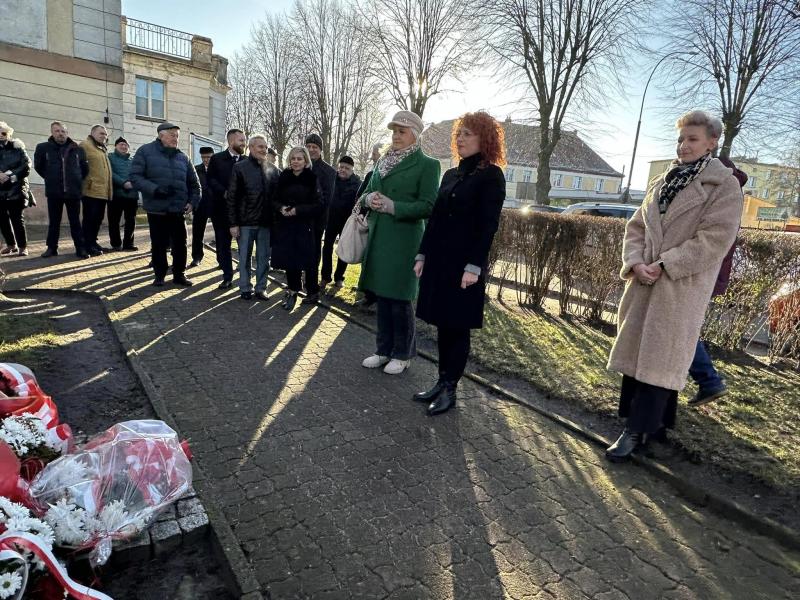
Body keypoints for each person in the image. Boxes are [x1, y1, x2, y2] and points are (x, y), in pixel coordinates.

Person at [605, 110, 744, 462]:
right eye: (681, 139)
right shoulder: (662, 181)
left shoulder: (723, 185)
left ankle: (636, 431)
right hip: (644, 280)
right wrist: (636, 262)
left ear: (712, 142)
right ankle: (653, 425)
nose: (683, 146)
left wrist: (666, 264)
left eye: (692, 139)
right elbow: (636, 227)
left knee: (661, 356)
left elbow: (715, 238)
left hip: (679, 285)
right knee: (642, 355)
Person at [414, 112, 506, 415]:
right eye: (459, 133)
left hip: (464, 266)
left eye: (468, 133)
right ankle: (441, 381)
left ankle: (450, 390)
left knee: (457, 327)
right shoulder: (450, 175)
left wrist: (474, 266)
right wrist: (422, 254)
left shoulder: (492, 175)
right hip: (440, 261)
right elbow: (437, 219)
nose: (461, 138)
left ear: (485, 138)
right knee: (443, 324)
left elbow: (487, 226)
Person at [359, 110, 441, 375]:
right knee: (382, 296)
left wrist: (395, 206)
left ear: (415, 136)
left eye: (402, 131)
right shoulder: (383, 161)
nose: (396, 135)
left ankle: (403, 354)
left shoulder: (428, 164)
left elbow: (429, 206)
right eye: (394, 130)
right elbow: (366, 193)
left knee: (400, 299)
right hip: (380, 237)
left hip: (405, 240)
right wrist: (368, 200)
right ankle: (383, 350)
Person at [687, 156, 747, 408]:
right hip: (710, 275)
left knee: (683, 329)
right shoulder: (728, 190)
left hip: (703, 275)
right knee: (685, 327)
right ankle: (704, 379)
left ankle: (708, 380)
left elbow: (712, 242)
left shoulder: (724, 192)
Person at [129, 122, 200, 287]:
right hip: (157, 209)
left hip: (178, 210)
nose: (176, 139)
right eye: (172, 135)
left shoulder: (183, 157)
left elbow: (195, 184)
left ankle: (179, 275)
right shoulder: (145, 152)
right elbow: (135, 177)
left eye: (177, 136)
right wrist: (155, 189)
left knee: (181, 245)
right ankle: (159, 275)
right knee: (159, 244)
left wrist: (192, 202)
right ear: (161, 135)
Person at [227, 135, 280, 300]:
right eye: (260, 147)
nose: (264, 150)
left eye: (265, 147)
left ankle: (261, 288)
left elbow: (278, 197)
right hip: (245, 223)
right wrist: (233, 223)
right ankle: (245, 288)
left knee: (264, 259)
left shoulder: (273, 170)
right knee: (244, 258)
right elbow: (232, 198)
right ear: (250, 148)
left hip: (265, 223)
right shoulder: (239, 168)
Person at [271, 146, 323, 310]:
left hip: (304, 226)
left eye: (299, 159)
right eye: (293, 158)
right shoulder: (283, 176)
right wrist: (281, 208)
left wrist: (298, 210)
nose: (295, 161)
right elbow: (273, 199)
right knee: (289, 260)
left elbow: (319, 204)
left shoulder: (312, 178)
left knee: (306, 260)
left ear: (306, 161)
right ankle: (293, 290)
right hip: (285, 225)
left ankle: (312, 292)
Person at [34, 121, 89, 258]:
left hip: (73, 191)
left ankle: (80, 248)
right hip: (54, 192)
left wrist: (75, 179)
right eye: (57, 131)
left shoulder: (77, 149)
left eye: (63, 131)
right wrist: (50, 178)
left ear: (67, 133)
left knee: (75, 221)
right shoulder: (43, 148)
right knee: (54, 222)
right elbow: (39, 167)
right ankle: (51, 248)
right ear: (52, 132)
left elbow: (85, 169)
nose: (60, 134)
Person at [207, 129, 247, 289]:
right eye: (241, 141)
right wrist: (224, 192)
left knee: (244, 246)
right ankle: (227, 277)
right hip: (221, 211)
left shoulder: (247, 160)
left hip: (243, 213)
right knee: (223, 246)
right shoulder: (217, 159)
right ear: (231, 142)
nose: (244, 143)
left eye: (244, 140)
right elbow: (210, 180)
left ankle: (244, 277)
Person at [320, 155, 361, 290]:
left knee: (344, 250)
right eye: (341, 167)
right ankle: (325, 276)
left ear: (352, 170)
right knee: (327, 248)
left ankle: (339, 277)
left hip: (347, 222)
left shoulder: (357, 183)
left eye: (347, 168)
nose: (343, 170)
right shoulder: (332, 179)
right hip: (331, 219)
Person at [353, 143, 383, 310]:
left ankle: (378, 297)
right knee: (368, 261)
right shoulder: (372, 174)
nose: (372, 157)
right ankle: (368, 296)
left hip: (385, 226)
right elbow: (360, 196)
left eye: (374, 153)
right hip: (369, 223)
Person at [304, 133, 336, 288]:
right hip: (299, 219)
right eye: (308, 146)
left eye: (314, 147)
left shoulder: (328, 171)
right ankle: (299, 281)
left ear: (320, 150)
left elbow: (326, 199)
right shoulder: (299, 165)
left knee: (314, 252)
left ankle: (312, 284)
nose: (311, 150)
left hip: (317, 220)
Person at [79, 125, 113, 256]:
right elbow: (79, 166)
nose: (104, 136)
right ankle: (87, 245)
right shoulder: (85, 145)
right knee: (90, 219)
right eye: (101, 133)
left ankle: (93, 242)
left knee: (97, 219)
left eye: (105, 134)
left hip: (102, 191)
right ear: (92, 133)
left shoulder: (101, 148)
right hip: (90, 191)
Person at [0, 122, 31, 256]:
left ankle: (23, 246)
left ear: (9, 133)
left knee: (17, 219)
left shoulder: (18, 148)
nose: (1, 135)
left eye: (3, 132)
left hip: (16, 189)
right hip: (0, 190)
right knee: (2, 220)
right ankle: (11, 244)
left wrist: (10, 176)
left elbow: (26, 165)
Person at [107, 137, 139, 251]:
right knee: (114, 221)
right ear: (116, 146)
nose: (124, 146)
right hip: (116, 194)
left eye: (126, 145)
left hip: (132, 195)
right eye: (121, 144)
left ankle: (128, 244)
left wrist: (133, 183)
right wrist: (123, 183)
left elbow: (138, 174)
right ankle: (116, 244)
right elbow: (109, 172)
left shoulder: (133, 160)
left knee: (131, 221)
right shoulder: (110, 157)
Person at [190, 146, 215, 267]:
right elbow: (192, 187)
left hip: (217, 206)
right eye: (203, 157)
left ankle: (222, 260)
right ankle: (197, 257)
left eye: (208, 157)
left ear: (213, 156)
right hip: (200, 206)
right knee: (197, 233)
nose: (206, 160)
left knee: (221, 235)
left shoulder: (219, 169)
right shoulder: (196, 169)